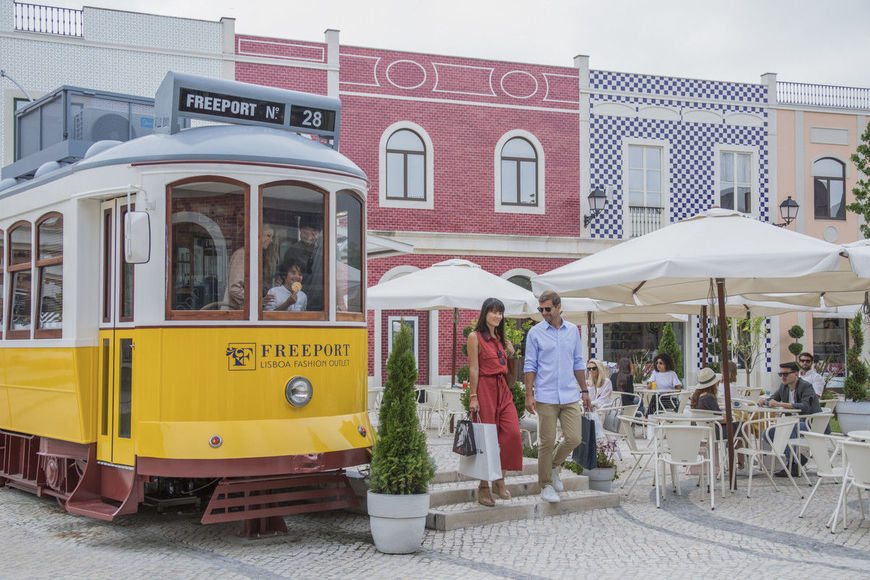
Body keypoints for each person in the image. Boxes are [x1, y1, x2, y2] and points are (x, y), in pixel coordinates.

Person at [524, 290, 591, 503]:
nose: (543, 313)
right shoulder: (535, 333)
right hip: (545, 395)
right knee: (546, 441)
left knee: (574, 438)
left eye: (547, 309)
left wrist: (585, 390)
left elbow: (578, 363)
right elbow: (530, 366)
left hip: (570, 394)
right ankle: (545, 485)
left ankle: (553, 467)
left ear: (559, 307)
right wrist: (528, 394)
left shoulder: (573, 331)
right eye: (540, 309)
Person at [467, 298, 523, 506]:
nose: (498, 316)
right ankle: (483, 487)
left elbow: (509, 375)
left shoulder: (501, 339)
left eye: (500, 312)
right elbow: (474, 368)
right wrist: (473, 396)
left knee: (512, 435)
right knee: (486, 440)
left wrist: (511, 354)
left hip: (503, 390)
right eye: (494, 312)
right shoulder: (475, 337)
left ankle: (499, 478)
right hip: (485, 390)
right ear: (485, 314)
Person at [759, 361, 823, 477]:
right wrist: (765, 401)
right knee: (768, 433)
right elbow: (774, 398)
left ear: (796, 374)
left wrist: (781, 404)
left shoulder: (806, 386)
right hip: (793, 422)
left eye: (786, 374)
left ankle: (793, 464)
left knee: (790, 427)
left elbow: (805, 406)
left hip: (810, 423)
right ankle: (799, 458)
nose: (783, 377)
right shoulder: (784, 387)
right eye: (781, 374)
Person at [690, 367, 745, 471]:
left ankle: (737, 459)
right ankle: (741, 463)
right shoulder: (709, 398)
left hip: (703, 430)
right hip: (715, 431)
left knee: (737, 426)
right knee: (741, 427)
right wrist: (730, 418)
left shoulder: (697, 397)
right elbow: (719, 418)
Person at [225, 225, 278, 310]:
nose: (271, 240)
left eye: (272, 237)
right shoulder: (242, 254)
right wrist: (257, 300)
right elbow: (234, 289)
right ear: (257, 235)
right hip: (236, 314)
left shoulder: (256, 256)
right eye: (268, 235)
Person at [284, 214, 323, 311]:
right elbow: (285, 276)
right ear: (300, 230)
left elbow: (339, 277)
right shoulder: (292, 251)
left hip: (322, 305)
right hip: (297, 303)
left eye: (314, 234)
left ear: (319, 233)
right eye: (305, 233)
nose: (309, 237)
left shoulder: (327, 248)